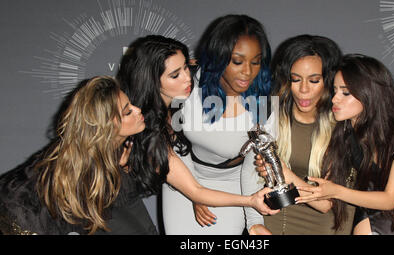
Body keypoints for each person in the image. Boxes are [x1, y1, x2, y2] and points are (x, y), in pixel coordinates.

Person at [254, 35, 394, 234]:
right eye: (295, 79)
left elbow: (331, 200)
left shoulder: (343, 124)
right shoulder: (279, 119)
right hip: (362, 200)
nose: (304, 89)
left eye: (314, 80)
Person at [116, 34, 278, 235]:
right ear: (152, 81)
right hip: (113, 207)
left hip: (211, 182)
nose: (187, 77)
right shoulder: (142, 125)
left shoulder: (189, 92)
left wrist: (252, 218)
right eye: (175, 75)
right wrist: (248, 201)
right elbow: (194, 189)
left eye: (186, 67)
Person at [296, 54, 394, 235]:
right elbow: (324, 199)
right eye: (335, 91)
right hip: (371, 195)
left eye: (345, 92)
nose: (334, 99)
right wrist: (284, 174)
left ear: (368, 93)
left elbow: (390, 199)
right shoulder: (340, 130)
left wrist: (336, 191)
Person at [158, 14, 275, 235]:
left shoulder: (263, 104)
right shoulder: (189, 82)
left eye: (256, 61)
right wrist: (194, 192)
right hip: (182, 175)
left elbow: (253, 166)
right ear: (218, 57)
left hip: (233, 186)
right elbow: (174, 139)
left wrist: (254, 221)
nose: (248, 72)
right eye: (237, 61)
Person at [0, 76, 152, 235]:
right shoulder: (86, 166)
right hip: (21, 217)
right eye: (127, 112)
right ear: (107, 127)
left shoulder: (111, 151)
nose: (138, 110)